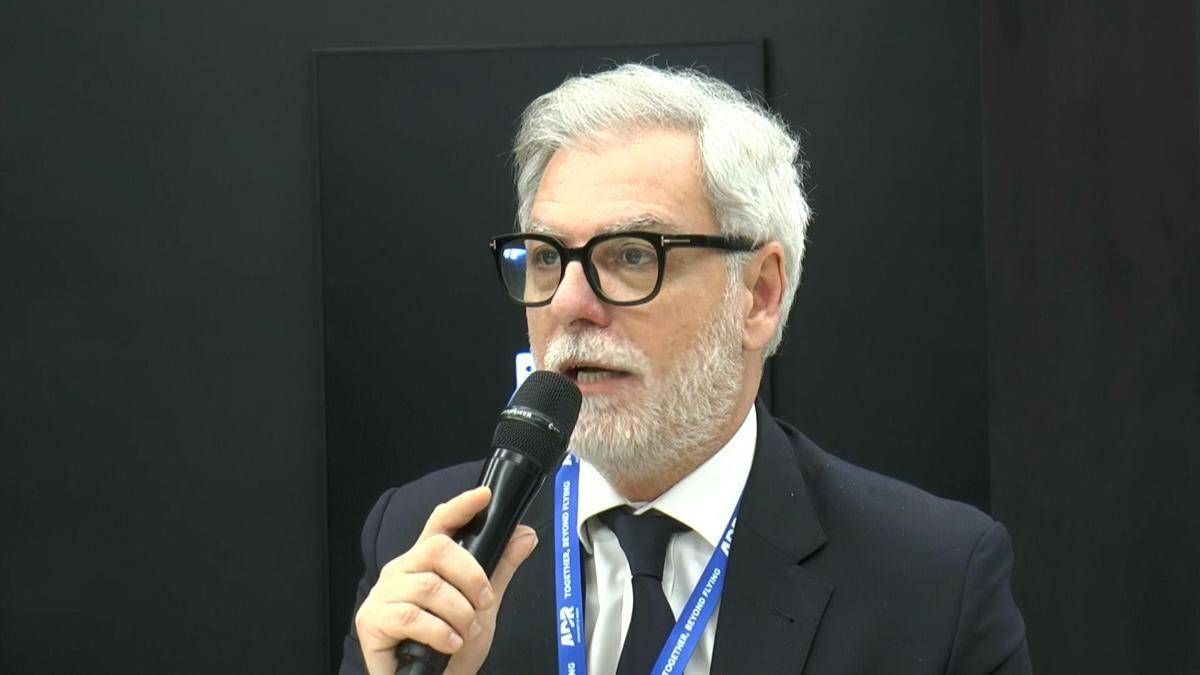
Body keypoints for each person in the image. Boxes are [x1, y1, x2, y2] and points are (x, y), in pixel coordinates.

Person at [340, 64, 1031, 675]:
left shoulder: (933, 583)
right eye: (547, 257)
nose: (570, 304)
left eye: (632, 255)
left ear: (759, 294)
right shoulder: (424, 545)